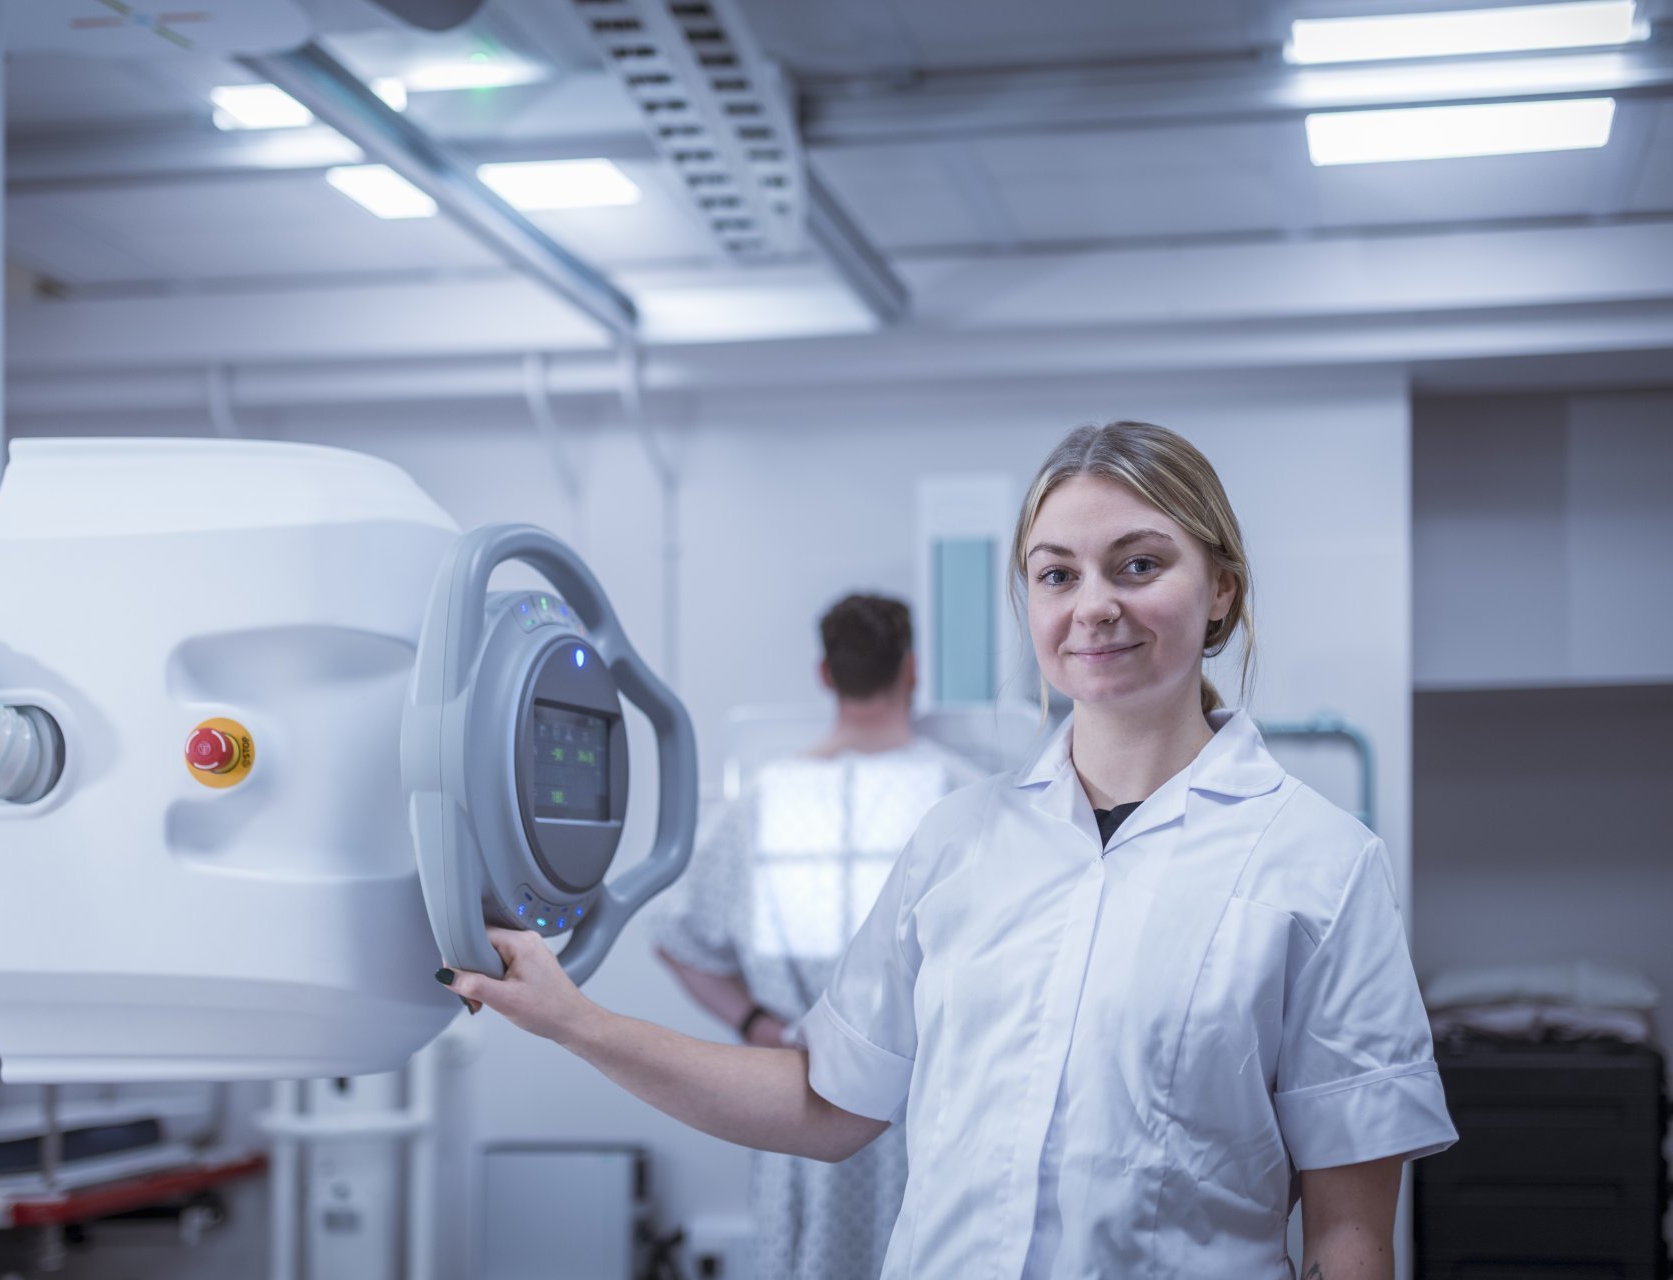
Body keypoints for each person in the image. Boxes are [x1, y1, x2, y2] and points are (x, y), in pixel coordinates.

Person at [438, 421, 1457, 1277]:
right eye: (1056, 572)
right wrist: (573, 1019)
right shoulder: (960, 840)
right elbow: (827, 1101)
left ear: (1223, 588)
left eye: (1138, 563)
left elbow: (1350, 1224)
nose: (1093, 602)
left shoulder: (1321, 865)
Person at [647, 593, 982, 1280]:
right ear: (912, 670)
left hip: (802, 1101)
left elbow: (674, 938)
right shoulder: (962, 800)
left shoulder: (765, 804)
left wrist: (758, 1023)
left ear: (825, 674)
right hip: (928, 1114)